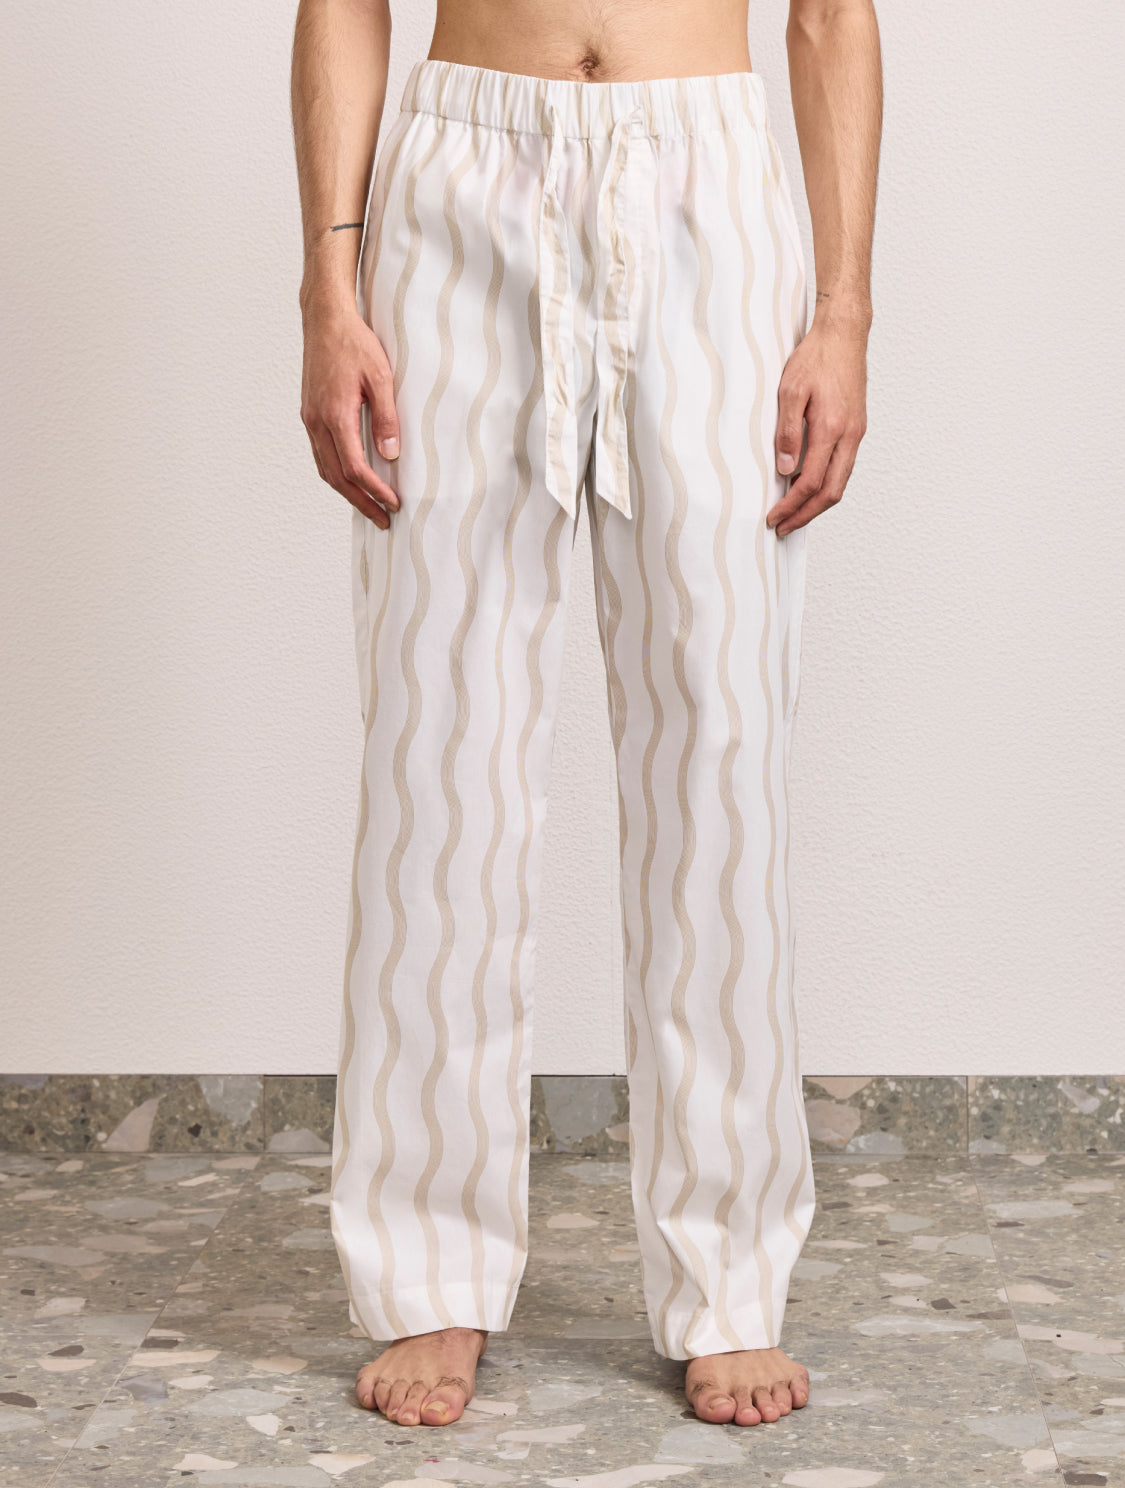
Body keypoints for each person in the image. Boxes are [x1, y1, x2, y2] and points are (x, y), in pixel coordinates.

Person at [292, 0, 880, 1435]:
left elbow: (829, 15)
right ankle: (428, 1266)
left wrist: (842, 312)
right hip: (459, 179)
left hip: (708, 184)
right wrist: (328, 290)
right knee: (439, 760)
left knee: (721, 755)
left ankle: (729, 1275)